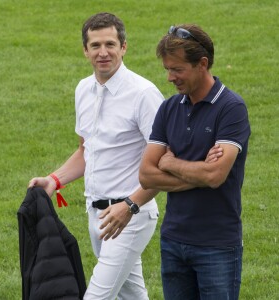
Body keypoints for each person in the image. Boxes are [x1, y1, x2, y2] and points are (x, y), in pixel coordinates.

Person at [29, 12, 165, 300]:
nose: (103, 53)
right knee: (132, 296)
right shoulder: (83, 90)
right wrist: (55, 179)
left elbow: (165, 162)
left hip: (131, 215)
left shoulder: (143, 94)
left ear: (124, 47)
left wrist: (130, 205)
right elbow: (85, 150)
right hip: (96, 215)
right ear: (85, 50)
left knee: (97, 296)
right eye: (95, 46)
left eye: (110, 44)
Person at [138, 24, 251, 300]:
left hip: (217, 245)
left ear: (202, 64)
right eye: (167, 69)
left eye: (177, 69)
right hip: (173, 241)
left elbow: (214, 176)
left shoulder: (231, 109)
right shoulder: (168, 108)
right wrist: (198, 171)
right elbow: (146, 175)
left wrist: (170, 163)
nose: (169, 77)